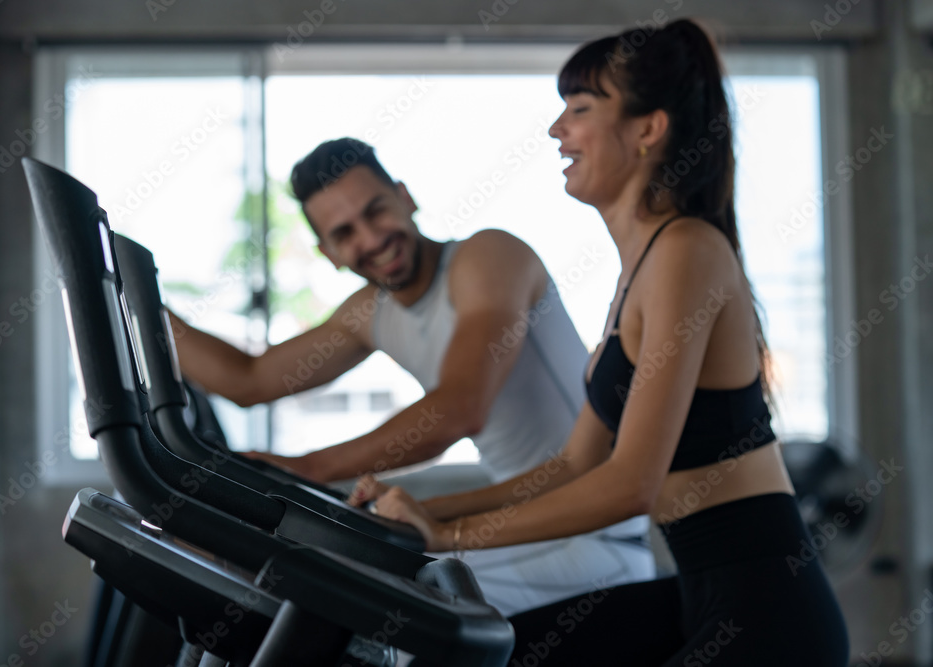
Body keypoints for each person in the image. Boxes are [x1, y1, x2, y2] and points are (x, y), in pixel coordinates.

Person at [362, 19, 849, 665]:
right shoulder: (641, 266)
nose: (556, 130)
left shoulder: (687, 249)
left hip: (766, 608)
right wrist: (423, 510)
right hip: (697, 590)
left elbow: (630, 486)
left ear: (649, 129)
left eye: (580, 109)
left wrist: (446, 535)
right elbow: (573, 464)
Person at [168, 137, 654, 615]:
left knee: (372, 603)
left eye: (376, 211)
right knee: (327, 588)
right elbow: (248, 380)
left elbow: (458, 409)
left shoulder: (487, 258)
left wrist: (307, 469)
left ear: (406, 198)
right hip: (527, 529)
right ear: (329, 253)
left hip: (598, 537)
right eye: (345, 233)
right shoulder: (369, 314)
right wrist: (135, 301)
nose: (371, 239)